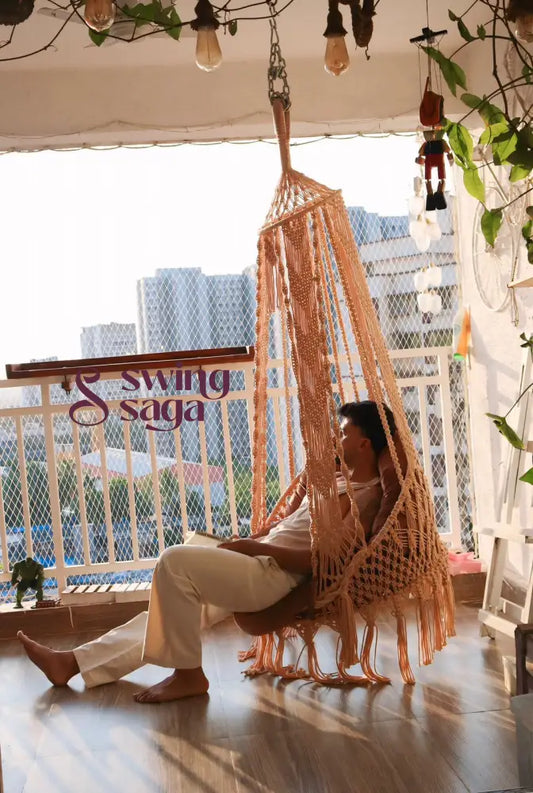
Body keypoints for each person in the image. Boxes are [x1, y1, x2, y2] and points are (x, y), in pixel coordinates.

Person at [18, 400, 395, 704]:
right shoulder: (334, 480)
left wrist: (251, 547)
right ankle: (70, 663)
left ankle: (189, 675)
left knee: (174, 561)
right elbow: (289, 531)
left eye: (343, 433)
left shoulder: (366, 498)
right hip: (260, 560)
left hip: (274, 576)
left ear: (364, 444)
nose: (334, 439)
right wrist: (247, 543)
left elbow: (322, 561)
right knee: (175, 597)